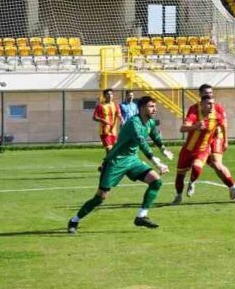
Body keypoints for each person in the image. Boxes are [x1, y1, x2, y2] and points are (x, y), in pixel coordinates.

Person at [68, 95, 169, 232]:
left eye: (155, 106)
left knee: (156, 181)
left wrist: (163, 149)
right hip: (115, 162)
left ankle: (141, 217)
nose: (155, 109)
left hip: (132, 160)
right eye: (151, 106)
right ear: (142, 108)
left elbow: (155, 135)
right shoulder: (133, 122)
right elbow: (141, 142)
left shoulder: (150, 122)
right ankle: (74, 220)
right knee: (100, 197)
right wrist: (156, 161)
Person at [172, 84, 235, 203]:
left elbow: (223, 125)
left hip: (211, 142)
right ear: (201, 97)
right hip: (189, 148)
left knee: (215, 163)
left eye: (210, 93)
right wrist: (195, 126)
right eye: (206, 94)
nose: (211, 105)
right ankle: (178, 194)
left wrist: (225, 141)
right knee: (180, 174)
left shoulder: (217, 111)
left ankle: (232, 187)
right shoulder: (194, 110)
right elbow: (183, 128)